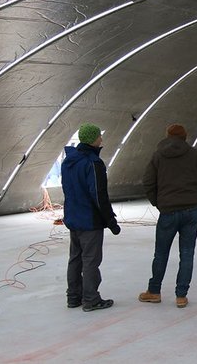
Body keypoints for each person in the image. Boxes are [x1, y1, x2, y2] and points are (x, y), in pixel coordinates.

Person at [139, 124, 197, 308]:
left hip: (168, 212)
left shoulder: (158, 155)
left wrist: (158, 202)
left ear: (167, 136)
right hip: (191, 211)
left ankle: (154, 292)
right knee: (187, 254)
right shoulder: (196, 155)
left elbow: (148, 181)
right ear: (185, 137)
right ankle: (181, 296)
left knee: (161, 253)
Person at [61, 123, 121, 312]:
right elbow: (99, 194)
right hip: (89, 220)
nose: (101, 139)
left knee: (75, 259)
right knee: (90, 261)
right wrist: (111, 221)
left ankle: (73, 297)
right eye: (99, 137)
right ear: (92, 139)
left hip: (74, 218)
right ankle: (91, 299)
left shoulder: (68, 161)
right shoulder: (93, 163)